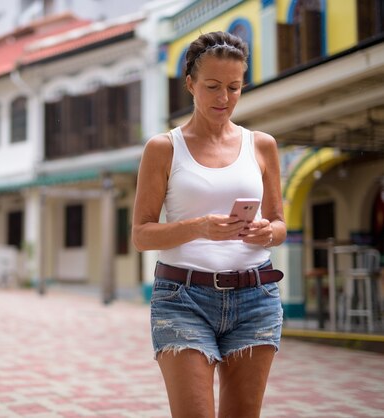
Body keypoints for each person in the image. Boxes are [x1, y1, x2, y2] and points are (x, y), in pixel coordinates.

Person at [132, 31, 286, 418]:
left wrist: (268, 232)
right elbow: (141, 234)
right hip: (182, 298)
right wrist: (198, 227)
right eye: (212, 86)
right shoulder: (163, 148)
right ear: (190, 84)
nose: (224, 99)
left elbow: (281, 223)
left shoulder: (262, 145)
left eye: (234, 88)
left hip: (256, 297)